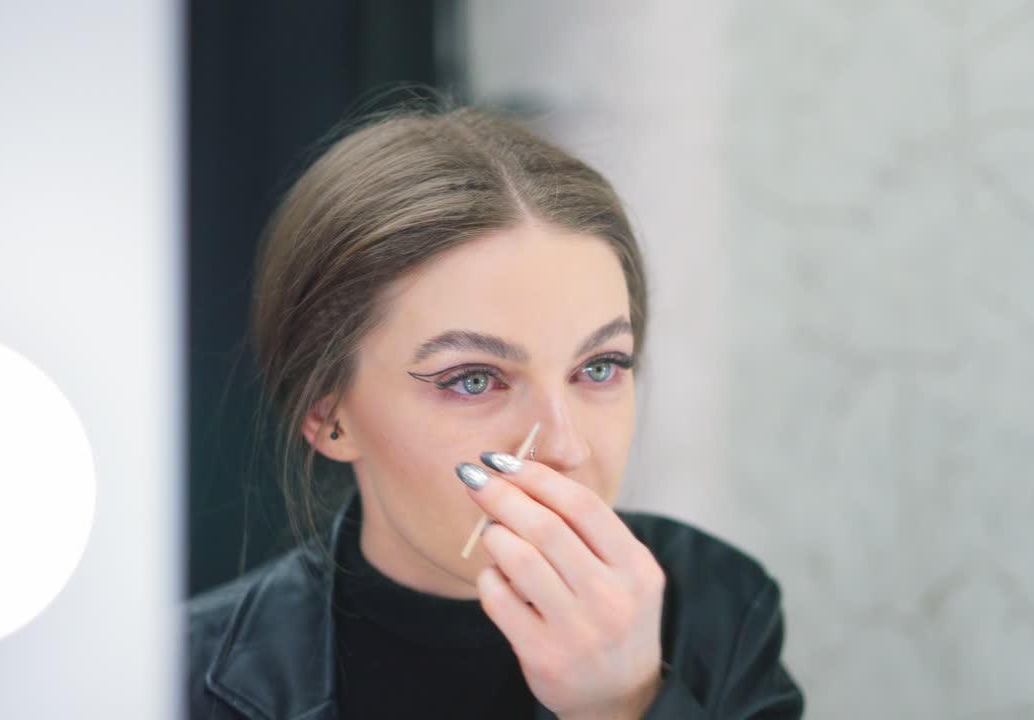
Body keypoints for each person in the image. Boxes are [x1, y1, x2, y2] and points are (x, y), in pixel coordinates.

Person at [186, 106, 804, 719]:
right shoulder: (176, 676)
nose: (566, 448)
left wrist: (626, 708)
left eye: (599, 368)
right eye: (474, 379)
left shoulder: (721, 606)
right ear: (327, 415)